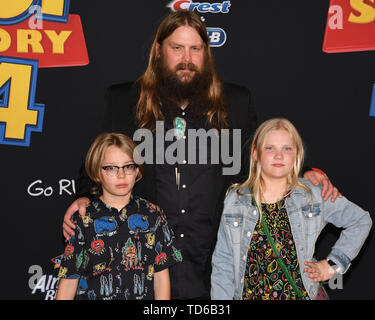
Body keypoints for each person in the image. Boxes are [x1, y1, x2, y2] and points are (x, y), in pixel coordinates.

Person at [62, 11, 340, 299]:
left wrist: (305, 170)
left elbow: (262, 151)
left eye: (195, 49)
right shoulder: (124, 101)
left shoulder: (236, 102)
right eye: (177, 48)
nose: (187, 59)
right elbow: (95, 163)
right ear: (158, 51)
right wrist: (83, 196)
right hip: (145, 263)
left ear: (206, 54)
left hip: (216, 262)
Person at [211, 118, 372, 300]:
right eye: (270, 148)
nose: (279, 156)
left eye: (287, 149)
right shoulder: (236, 199)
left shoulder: (314, 195)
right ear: (255, 153)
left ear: (297, 155)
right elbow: (223, 263)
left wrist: (333, 263)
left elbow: (360, 220)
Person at [56, 133, 177, 300]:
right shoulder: (83, 220)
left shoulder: (153, 216)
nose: (121, 175)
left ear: (137, 171)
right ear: (97, 173)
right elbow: (69, 280)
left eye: (128, 166)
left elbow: (161, 278)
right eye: (111, 168)